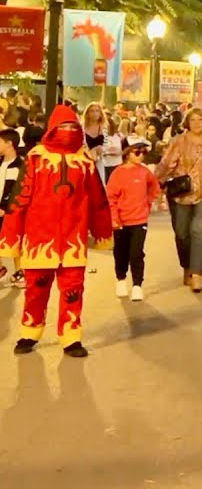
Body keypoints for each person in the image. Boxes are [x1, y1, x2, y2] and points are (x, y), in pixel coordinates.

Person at [1, 105, 113, 357]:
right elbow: (20, 199)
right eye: (63, 127)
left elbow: (97, 199)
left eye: (73, 127)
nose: (68, 132)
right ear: (52, 129)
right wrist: (12, 236)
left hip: (73, 238)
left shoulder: (84, 161)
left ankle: (71, 336)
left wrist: (102, 231)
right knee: (36, 289)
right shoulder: (36, 158)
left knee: (73, 290)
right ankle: (30, 332)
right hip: (40, 237)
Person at [157, 108, 202, 293]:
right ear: (187, 123)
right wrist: (155, 184)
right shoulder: (178, 141)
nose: (197, 123)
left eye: (200, 120)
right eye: (193, 120)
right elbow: (165, 164)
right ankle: (187, 266)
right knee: (182, 233)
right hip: (182, 194)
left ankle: (197, 274)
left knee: (201, 231)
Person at [106, 140, 161, 301]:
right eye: (137, 152)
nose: (141, 156)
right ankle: (121, 279)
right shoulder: (118, 173)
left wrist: (149, 202)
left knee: (137, 253)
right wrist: (114, 218)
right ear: (127, 153)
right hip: (121, 221)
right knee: (121, 252)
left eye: (144, 152)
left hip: (140, 219)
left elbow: (154, 186)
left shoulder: (144, 172)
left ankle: (137, 285)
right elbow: (111, 197)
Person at [0, 129, 25, 287]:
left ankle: (20, 272)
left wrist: (4, 207)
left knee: (15, 240)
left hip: (10, 210)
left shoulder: (19, 165)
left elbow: (15, 190)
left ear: (9, 144)